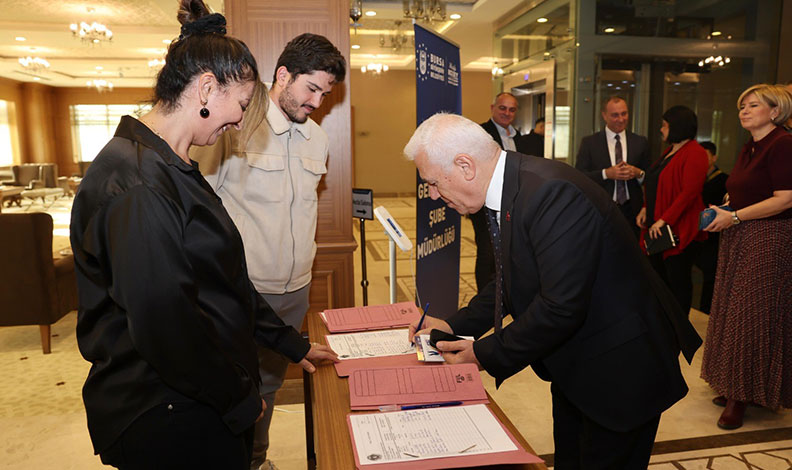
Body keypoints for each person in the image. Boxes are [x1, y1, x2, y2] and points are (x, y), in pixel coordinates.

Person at [69, 3, 337, 468]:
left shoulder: (173, 165)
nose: (241, 121)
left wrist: (290, 344)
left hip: (196, 393)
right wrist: (238, 398)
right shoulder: (137, 184)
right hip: (163, 409)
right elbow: (167, 328)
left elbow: (223, 280)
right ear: (207, 89)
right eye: (242, 105)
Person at [404, 113, 701, 469]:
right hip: (575, 364)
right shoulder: (511, 185)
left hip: (619, 368)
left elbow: (560, 305)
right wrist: (455, 324)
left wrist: (482, 354)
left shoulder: (549, 192)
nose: (434, 195)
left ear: (465, 166)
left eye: (434, 183)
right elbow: (511, 277)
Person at [192, 33, 346, 470]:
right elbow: (201, 209)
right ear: (283, 75)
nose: (317, 102)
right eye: (311, 88)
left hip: (295, 289)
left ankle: (257, 460)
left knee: (270, 386)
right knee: (233, 387)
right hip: (242, 290)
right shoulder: (235, 127)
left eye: (325, 94)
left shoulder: (318, 139)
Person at [701, 84, 792, 430]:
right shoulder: (750, 145)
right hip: (741, 235)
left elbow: (785, 198)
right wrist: (726, 208)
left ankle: (741, 396)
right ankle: (739, 386)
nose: (744, 111)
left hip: (769, 239)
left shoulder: (783, 144)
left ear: (775, 111)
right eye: (742, 105)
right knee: (732, 311)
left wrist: (736, 216)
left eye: (753, 105)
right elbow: (745, 190)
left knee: (752, 316)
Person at [636, 105, 708, 315]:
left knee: (677, 281)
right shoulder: (671, 151)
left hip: (678, 228)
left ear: (677, 126)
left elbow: (689, 193)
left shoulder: (695, 152)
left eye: (665, 125)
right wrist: (645, 208)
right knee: (660, 280)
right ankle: (665, 324)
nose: (661, 129)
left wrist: (664, 220)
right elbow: (656, 183)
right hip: (658, 225)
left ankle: (679, 327)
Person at [575, 96, 650, 239]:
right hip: (601, 209)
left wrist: (638, 173)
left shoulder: (640, 142)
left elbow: (650, 178)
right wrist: (606, 174)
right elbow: (580, 176)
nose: (621, 119)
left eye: (624, 114)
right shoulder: (590, 143)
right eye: (615, 115)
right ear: (604, 116)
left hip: (633, 212)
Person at [470, 92, 520, 292]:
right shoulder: (480, 134)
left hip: (511, 203)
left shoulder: (518, 137)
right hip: (485, 203)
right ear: (492, 108)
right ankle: (485, 299)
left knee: (508, 253)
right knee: (487, 254)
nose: (507, 113)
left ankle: (503, 294)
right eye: (502, 108)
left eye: (512, 109)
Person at [693, 141, 728, 314]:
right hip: (695, 234)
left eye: (705, 156)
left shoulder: (723, 180)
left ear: (714, 158)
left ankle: (707, 310)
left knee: (710, 275)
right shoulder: (694, 177)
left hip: (714, 236)